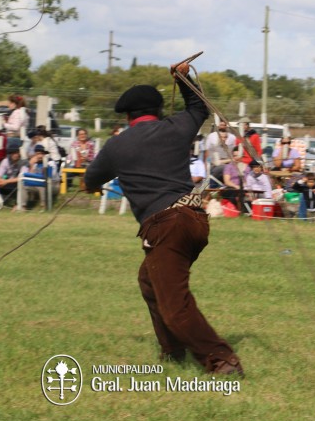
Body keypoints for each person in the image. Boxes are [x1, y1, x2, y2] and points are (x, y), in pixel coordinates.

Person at [83, 71, 244, 376]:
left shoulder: (117, 145)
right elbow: (199, 108)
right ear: (157, 111)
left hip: (165, 226)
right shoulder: (176, 127)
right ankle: (173, 350)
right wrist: (184, 80)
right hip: (195, 221)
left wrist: (89, 186)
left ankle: (222, 360)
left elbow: (91, 180)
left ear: (129, 115)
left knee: (175, 306)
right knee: (149, 280)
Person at [0, 146, 23, 211]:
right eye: (13, 153)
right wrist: (1, 181)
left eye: (16, 153)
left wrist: (6, 181)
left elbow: (22, 177)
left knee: (20, 186)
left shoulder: (23, 162)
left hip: (18, 184)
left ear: (19, 153)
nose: (15, 155)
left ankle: (15, 208)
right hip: (8, 183)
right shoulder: (5, 161)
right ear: (10, 154)